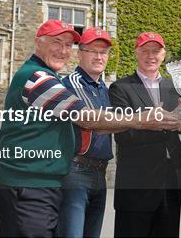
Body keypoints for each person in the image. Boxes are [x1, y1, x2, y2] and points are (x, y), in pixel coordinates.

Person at [0, 20, 178, 238]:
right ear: (38, 43)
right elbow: (86, 118)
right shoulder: (38, 78)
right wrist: (140, 120)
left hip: (52, 180)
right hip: (27, 183)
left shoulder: (76, 82)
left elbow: (101, 126)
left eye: (68, 45)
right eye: (56, 42)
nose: (63, 50)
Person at [108, 32, 181, 237]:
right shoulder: (121, 88)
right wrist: (166, 123)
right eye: (145, 50)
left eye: (156, 51)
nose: (151, 55)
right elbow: (123, 134)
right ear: (136, 53)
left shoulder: (176, 88)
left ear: (164, 54)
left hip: (170, 186)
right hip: (136, 187)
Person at [57, 27, 114, 238]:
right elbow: (94, 121)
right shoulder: (71, 84)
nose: (99, 56)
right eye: (92, 51)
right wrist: (143, 121)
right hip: (75, 172)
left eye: (104, 52)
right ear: (79, 54)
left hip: (100, 173)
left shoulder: (104, 89)